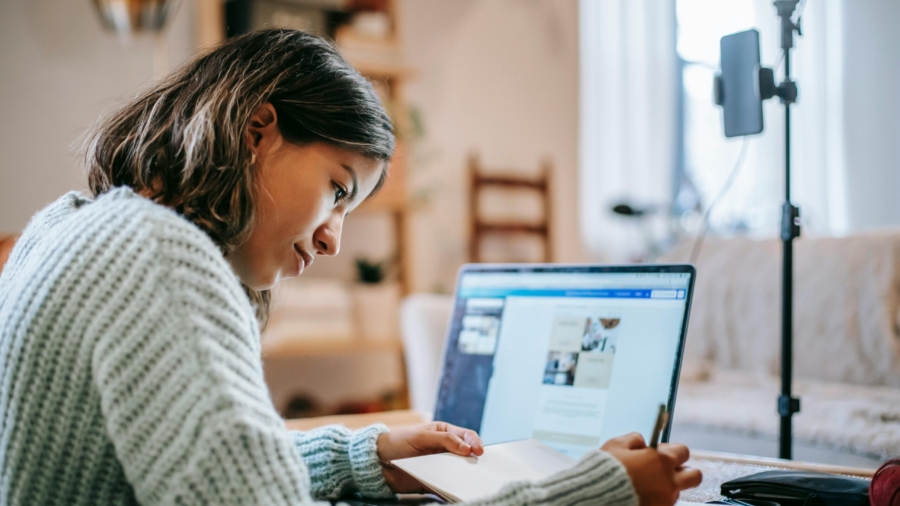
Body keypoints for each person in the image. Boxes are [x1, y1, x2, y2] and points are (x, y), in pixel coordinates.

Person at [0, 29, 701, 505]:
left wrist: (372, 458)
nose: (333, 240)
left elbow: (207, 471)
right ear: (256, 131)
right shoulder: (158, 257)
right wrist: (588, 491)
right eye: (338, 189)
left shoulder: (70, 224)